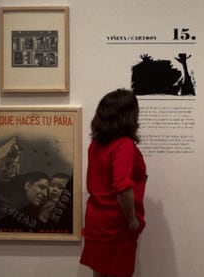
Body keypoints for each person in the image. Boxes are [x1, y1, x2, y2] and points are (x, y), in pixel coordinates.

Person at [80, 89, 147, 277]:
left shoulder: (96, 144)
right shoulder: (123, 144)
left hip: (96, 218)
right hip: (116, 223)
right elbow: (122, 187)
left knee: (99, 272)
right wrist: (132, 220)